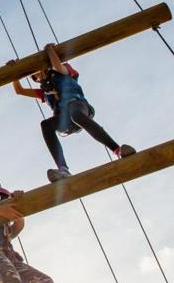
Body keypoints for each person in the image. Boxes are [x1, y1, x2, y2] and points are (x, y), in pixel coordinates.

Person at [9, 45, 135, 182]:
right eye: (35, 77)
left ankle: (117, 149)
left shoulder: (62, 73)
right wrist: (13, 73)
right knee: (46, 125)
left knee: (76, 114)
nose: (39, 76)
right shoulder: (44, 92)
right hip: (65, 119)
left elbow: (57, 66)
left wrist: (49, 50)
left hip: (79, 107)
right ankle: (63, 169)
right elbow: (19, 91)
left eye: (40, 72)